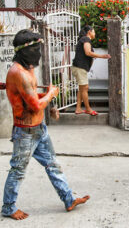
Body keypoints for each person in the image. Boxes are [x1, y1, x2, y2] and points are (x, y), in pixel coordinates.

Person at [1, 29, 89, 220]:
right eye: (36, 49)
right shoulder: (19, 73)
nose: (39, 53)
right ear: (24, 51)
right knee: (18, 171)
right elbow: (33, 106)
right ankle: (8, 207)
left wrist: (49, 100)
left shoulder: (28, 68)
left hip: (39, 129)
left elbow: (32, 97)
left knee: (53, 165)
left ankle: (68, 199)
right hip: (25, 132)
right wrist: (51, 94)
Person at [72, 25, 111, 115]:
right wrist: (102, 56)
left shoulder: (84, 39)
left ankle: (78, 108)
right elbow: (88, 52)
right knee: (85, 88)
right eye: (94, 31)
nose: (95, 33)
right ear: (89, 31)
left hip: (79, 67)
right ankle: (88, 109)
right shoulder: (86, 39)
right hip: (80, 67)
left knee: (82, 88)